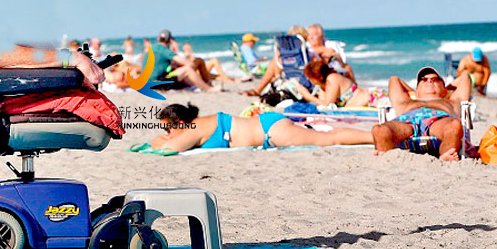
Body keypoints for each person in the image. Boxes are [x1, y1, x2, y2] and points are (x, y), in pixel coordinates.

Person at [149, 102, 373, 153]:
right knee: (327, 136)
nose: (166, 134)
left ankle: (375, 136)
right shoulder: (197, 125)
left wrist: (162, 140)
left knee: (330, 139)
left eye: (168, 128)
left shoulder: (195, 128)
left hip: (271, 131)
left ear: (179, 123)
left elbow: (167, 148)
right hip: (267, 124)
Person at [371, 67, 471, 161]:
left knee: (454, 125)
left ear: (444, 91)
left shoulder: (452, 102)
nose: (430, 81)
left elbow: (465, 77)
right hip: (407, 123)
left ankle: (446, 155)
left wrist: (446, 90)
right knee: (379, 130)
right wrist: (414, 92)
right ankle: (387, 158)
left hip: (438, 121)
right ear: (417, 90)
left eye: (435, 79)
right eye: (424, 79)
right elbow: (394, 79)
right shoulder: (405, 102)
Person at [293, 60, 382, 108]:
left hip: (374, 100)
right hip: (370, 102)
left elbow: (327, 104)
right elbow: (323, 104)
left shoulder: (332, 79)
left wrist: (307, 96)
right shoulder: (324, 85)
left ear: (318, 76)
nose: (308, 79)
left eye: (310, 77)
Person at [151, 30, 219, 92]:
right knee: (187, 69)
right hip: (157, 83)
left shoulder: (153, 48)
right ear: (169, 41)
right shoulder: (165, 50)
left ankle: (206, 84)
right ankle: (209, 89)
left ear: (158, 39)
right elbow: (188, 64)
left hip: (149, 82)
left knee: (195, 63)